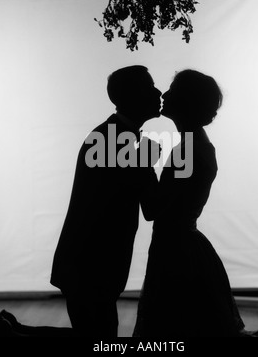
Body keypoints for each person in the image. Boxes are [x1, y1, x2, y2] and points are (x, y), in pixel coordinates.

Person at [50, 65, 162, 337]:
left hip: (87, 268)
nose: (158, 92)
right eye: (150, 87)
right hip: (91, 271)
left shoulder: (109, 136)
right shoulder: (117, 143)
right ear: (133, 96)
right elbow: (152, 208)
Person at [133, 69, 245, 338]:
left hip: (175, 253)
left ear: (186, 100)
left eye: (173, 89)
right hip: (184, 247)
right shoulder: (195, 145)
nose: (165, 94)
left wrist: (142, 163)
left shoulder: (188, 149)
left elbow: (152, 209)